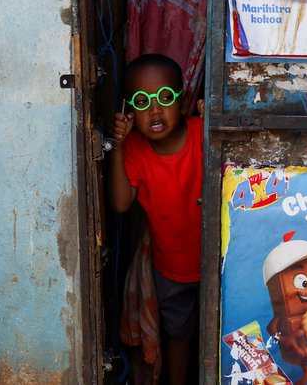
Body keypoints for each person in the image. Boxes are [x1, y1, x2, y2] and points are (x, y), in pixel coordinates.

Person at [108, 54, 203, 385]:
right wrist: (117, 147)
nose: (155, 111)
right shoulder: (133, 148)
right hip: (171, 269)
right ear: (130, 112)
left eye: (164, 98)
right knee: (179, 335)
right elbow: (121, 204)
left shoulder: (203, 133)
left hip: (221, 263)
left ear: (183, 99)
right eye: (142, 102)